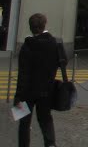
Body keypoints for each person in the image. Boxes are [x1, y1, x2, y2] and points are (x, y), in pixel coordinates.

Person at [14, 12, 66, 147]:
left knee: (24, 123)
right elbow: (63, 62)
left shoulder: (27, 46)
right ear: (44, 25)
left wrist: (18, 96)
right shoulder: (55, 43)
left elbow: (23, 74)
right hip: (46, 90)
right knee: (45, 119)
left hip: (27, 92)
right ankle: (50, 144)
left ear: (30, 27)